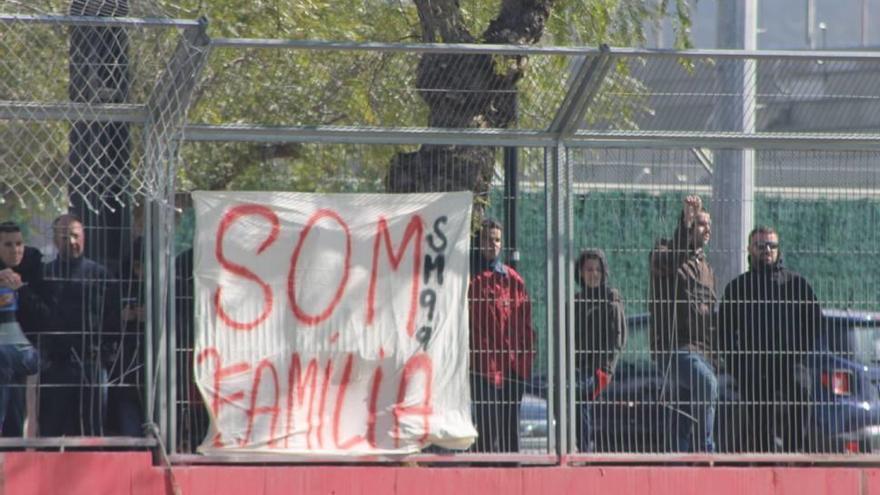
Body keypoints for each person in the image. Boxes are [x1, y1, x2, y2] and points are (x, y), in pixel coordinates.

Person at [719, 226, 821, 452]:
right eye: (761, 245)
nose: (767, 250)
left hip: (790, 362)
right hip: (754, 366)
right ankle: (764, 467)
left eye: (772, 246)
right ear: (750, 248)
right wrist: (737, 365)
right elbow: (724, 331)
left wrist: (800, 352)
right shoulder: (738, 288)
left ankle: (794, 458)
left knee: (801, 395)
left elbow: (815, 322)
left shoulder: (796, 285)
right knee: (759, 426)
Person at [649, 195, 719, 453]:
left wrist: (716, 356)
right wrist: (686, 220)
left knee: (683, 417)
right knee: (708, 385)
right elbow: (675, 257)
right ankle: (706, 451)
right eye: (701, 223)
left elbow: (710, 317)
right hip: (674, 349)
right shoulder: (664, 254)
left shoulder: (707, 269)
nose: (707, 229)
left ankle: (681, 462)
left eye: (708, 224)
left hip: (702, 353)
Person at [40, 213, 120, 436]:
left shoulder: (101, 275)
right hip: (55, 363)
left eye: (75, 236)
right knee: (51, 427)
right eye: (65, 237)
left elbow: (112, 319)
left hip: (91, 361)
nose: (72, 242)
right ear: (55, 240)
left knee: (92, 427)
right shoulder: (45, 275)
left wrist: (105, 353)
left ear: (84, 237)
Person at [469, 217, 536, 453]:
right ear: (478, 241)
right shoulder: (469, 279)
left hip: (512, 367)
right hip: (482, 366)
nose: (493, 244)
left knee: (510, 431)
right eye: (487, 239)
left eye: (497, 239)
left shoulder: (512, 279)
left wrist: (525, 360)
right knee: (487, 427)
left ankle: (513, 479)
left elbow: (526, 323)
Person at [573, 248, 627, 452]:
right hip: (578, 368)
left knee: (579, 396)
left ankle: (584, 449)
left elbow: (619, 337)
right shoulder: (577, 302)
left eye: (597, 269)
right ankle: (572, 448)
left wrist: (606, 368)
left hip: (600, 369)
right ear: (580, 272)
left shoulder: (611, 298)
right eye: (588, 269)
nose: (593, 274)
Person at [0, 222, 43, 436]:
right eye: (8, 244)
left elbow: (43, 317)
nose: (15, 250)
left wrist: (21, 291)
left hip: (26, 350)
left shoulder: (33, 269)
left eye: (19, 244)